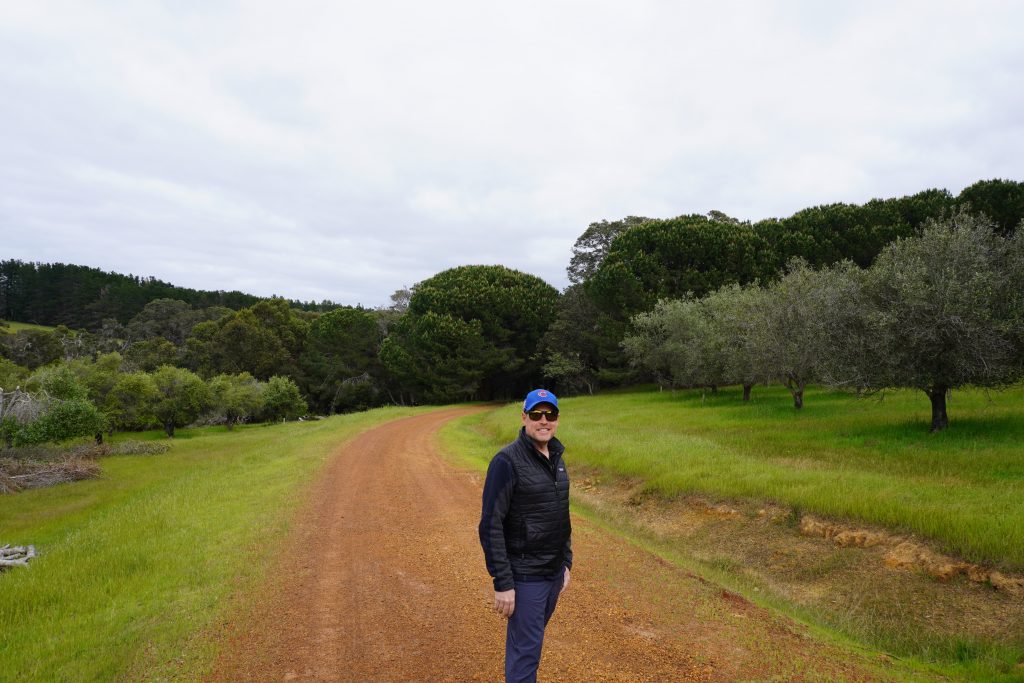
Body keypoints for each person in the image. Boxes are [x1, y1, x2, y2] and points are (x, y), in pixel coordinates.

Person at [479, 388, 572, 683]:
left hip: (552, 573)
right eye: (536, 414)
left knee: (528, 645)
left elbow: (560, 512)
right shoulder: (506, 462)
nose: (544, 420)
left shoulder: (556, 457)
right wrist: (503, 583)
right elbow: (490, 524)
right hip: (526, 577)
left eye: (550, 414)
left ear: (557, 418)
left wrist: (566, 561)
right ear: (524, 417)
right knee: (526, 653)